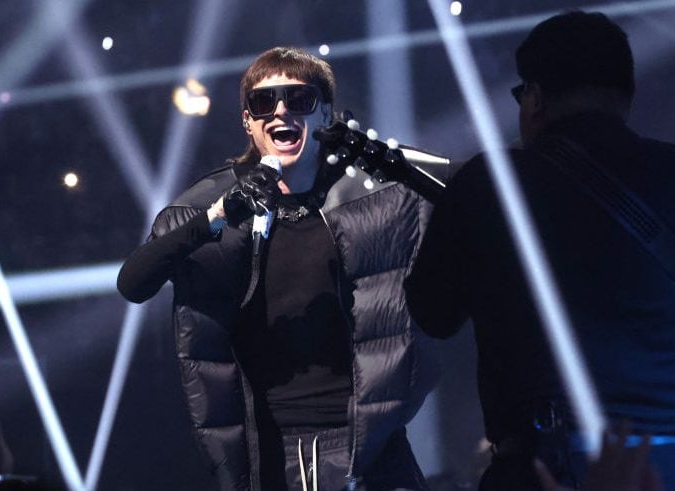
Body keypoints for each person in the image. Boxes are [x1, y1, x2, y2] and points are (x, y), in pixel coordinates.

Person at [404, 10, 675, 491]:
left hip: (553, 470)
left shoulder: (491, 183)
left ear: (536, 97)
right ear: (625, 96)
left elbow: (433, 313)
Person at [117, 47, 439, 491]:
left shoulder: (373, 201)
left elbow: (474, 194)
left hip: (368, 448)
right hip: (267, 454)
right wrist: (216, 217)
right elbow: (133, 282)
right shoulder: (215, 206)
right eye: (264, 103)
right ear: (248, 121)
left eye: (298, 99)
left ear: (325, 113)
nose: (280, 111)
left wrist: (392, 160)